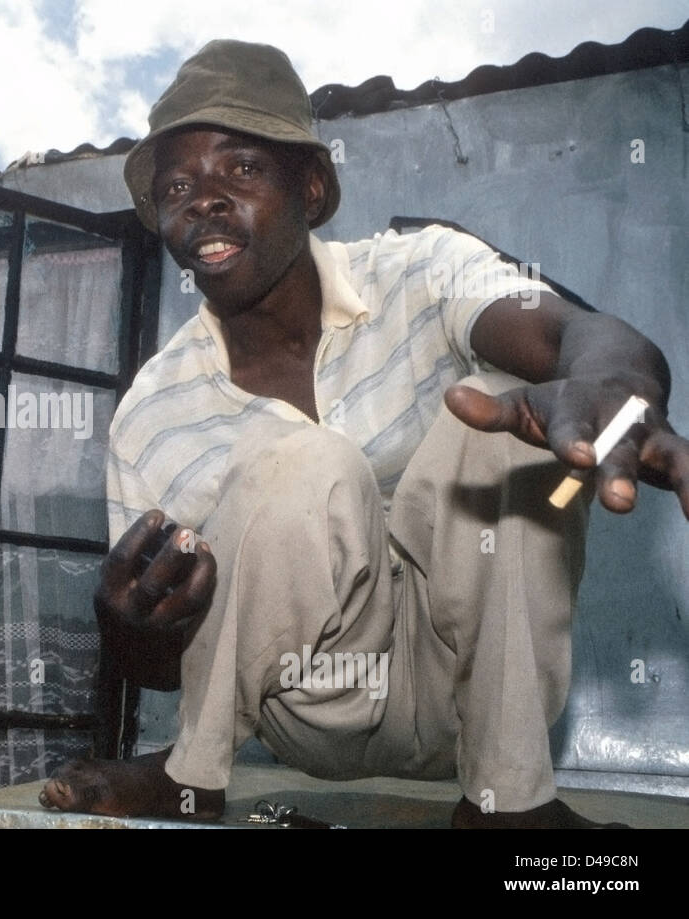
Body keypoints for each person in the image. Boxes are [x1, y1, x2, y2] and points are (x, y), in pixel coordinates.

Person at [38, 40, 689, 828]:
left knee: (500, 407)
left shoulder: (421, 272)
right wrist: (129, 631)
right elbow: (165, 660)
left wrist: (614, 387)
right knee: (302, 461)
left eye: (241, 170)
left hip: (470, 681)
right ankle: (190, 777)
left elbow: (569, 334)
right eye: (177, 186)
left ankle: (508, 804)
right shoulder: (152, 413)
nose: (203, 201)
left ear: (311, 187)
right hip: (310, 705)